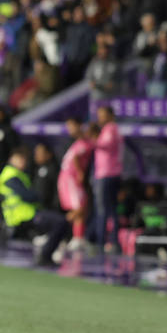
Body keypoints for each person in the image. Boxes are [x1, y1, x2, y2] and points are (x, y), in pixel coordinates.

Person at [0, 151, 68, 267]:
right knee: (60, 222)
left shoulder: (19, 174)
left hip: (27, 213)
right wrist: (37, 196)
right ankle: (45, 255)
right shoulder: (10, 175)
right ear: (12, 159)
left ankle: (45, 252)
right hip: (22, 215)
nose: (23, 162)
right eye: (20, 159)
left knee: (59, 221)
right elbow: (28, 196)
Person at [56, 118, 94, 253]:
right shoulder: (82, 142)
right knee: (78, 209)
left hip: (70, 178)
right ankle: (56, 231)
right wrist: (80, 173)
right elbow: (76, 158)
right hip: (70, 178)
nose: (69, 130)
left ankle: (78, 238)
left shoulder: (84, 141)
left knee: (83, 208)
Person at [91, 105, 124, 253]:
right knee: (109, 209)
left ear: (111, 115)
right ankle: (108, 241)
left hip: (108, 174)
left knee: (105, 209)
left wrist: (90, 137)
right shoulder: (106, 130)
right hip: (104, 174)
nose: (100, 118)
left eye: (103, 114)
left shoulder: (111, 128)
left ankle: (104, 242)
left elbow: (104, 144)